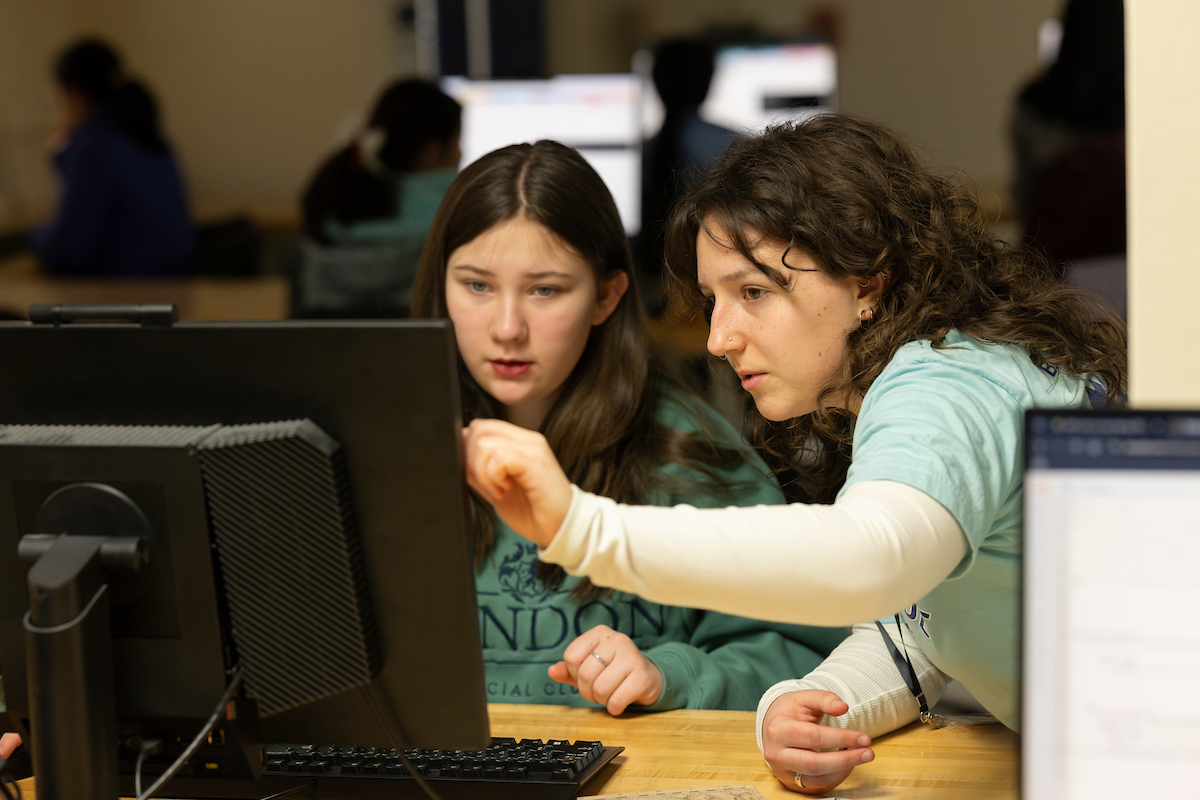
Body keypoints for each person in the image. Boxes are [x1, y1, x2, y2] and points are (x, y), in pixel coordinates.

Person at [462, 114, 1126, 792]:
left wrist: (581, 528)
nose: (718, 338)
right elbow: (917, 629)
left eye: (754, 292)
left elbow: (876, 560)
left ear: (867, 283)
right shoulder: (908, 383)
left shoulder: (951, 381)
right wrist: (805, 702)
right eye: (714, 299)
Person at [410, 140, 845, 714]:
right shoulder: (389, 451)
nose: (507, 328)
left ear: (606, 296)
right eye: (477, 286)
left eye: (545, 290)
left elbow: (807, 661)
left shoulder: (691, 452)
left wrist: (668, 674)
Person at [295, 78, 461, 317]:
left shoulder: (337, 198)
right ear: (431, 152)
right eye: (458, 142)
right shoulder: (454, 211)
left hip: (324, 340)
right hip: (418, 340)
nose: (461, 153)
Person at [32, 38, 194, 276]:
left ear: (71, 95)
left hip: (127, 286)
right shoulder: (142, 133)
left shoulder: (95, 147)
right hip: (170, 281)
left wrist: (32, 237)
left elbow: (65, 251)